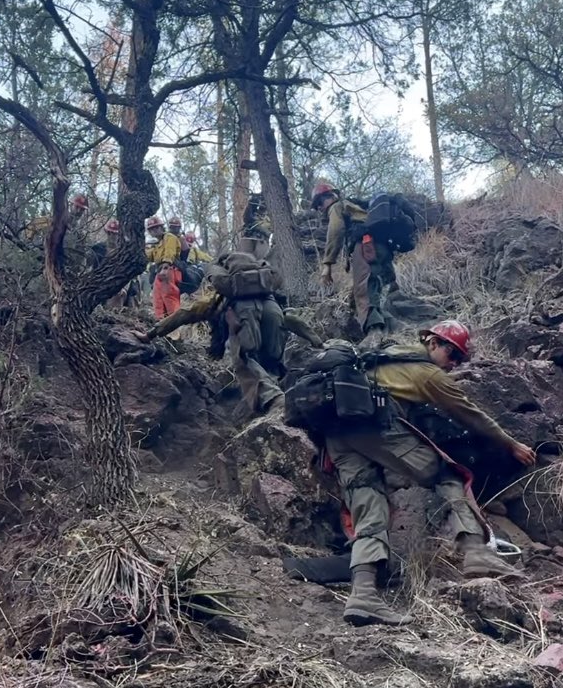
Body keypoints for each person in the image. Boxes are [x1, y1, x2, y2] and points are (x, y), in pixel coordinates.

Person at [324, 320, 536, 628]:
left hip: (336, 436)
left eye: (460, 360)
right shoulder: (426, 373)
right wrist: (512, 444)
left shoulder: (382, 360)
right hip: (373, 427)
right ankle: (475, 551)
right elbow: (470, 413)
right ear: (433, 343)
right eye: (453, 356)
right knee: (448, 475)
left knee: (370, 507)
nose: (454, 365)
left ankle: (363, 595)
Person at [148, 251, 323, 414]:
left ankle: (274, 399)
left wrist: (151, 333)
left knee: (243, 358)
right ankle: (280, 388)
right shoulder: (269, 293)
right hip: (273, 337)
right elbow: (290, 320)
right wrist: (316, 339)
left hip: (245, 328)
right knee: (271, 357)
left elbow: (185, 314)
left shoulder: (221, 297)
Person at [311, 182, 398, 348]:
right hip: (383, 247)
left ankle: (374, 333)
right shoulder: (356, 208)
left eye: (319, 204)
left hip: (366, 246)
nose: (320, 209)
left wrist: (327, 264)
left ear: (329, 197)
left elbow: (336, 231)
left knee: (364, 288)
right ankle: (395, 323)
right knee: (384, 285)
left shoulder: (337, 207)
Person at [145, 217, 183, 318]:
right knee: (157, 298)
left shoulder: (169, 237)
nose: (154, 230)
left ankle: (174, 323)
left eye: (157, 228)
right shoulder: (157, 244)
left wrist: (166, 267)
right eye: (152, 229)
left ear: (162, 228)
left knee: (169, 296)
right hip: (160, 271)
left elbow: (169, 252)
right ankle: (160, 321)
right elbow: (150, 256)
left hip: (170, 270)